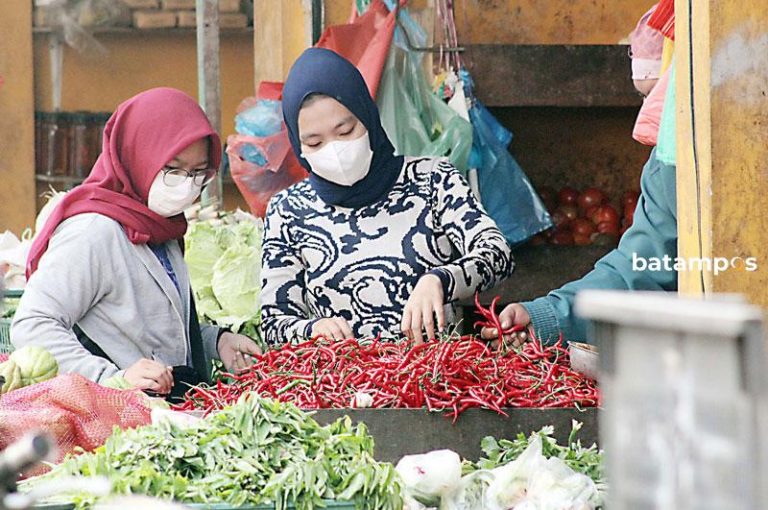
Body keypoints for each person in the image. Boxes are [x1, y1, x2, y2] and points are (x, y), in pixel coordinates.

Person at [11, 88, 260, 397]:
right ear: (137, 155)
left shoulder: (159, 225)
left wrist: (216, 341)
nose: (186, 186)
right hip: (110, 416)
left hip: (161, 412)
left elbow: (149, 328)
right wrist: (112, 378)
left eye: (197, 173)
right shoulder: (92, 232)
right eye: (173, 169)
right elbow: (32, 325)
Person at [260, 48, 514, 345]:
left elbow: (497, 253)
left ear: (367, 116)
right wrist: (310, 330)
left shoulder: (433, 180)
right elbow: (274, 323)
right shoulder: (288, 211)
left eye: (345, 130)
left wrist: (442, 279)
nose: (335, 150)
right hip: (339, 385)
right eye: (314, 142)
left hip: (439, 381)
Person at [481, 6, 675, 346]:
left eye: (660, 95)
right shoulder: (668, 167)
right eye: (644, 98)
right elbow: (641, 267)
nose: (649, 114)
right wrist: (546, 317)